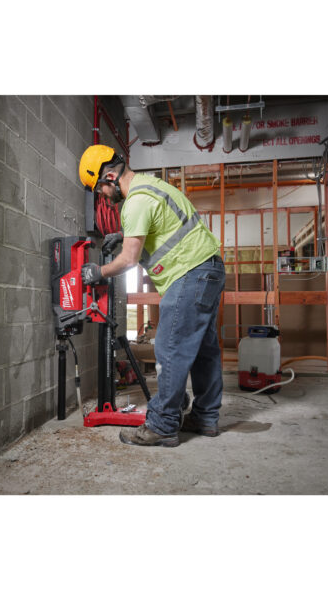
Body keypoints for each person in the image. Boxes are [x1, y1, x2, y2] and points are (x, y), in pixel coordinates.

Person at [78, 144, 225, 447]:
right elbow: (161, 226)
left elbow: (128, 260)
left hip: (188, 273)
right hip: (209, 270)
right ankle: (205, 417)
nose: (102, 196)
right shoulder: (150, 185)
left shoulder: (134, 202)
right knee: (204, 350)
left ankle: (162, 424)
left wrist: (98, 272)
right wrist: (125, 235)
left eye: (99, 189)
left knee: (169, 348)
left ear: (109, 177)